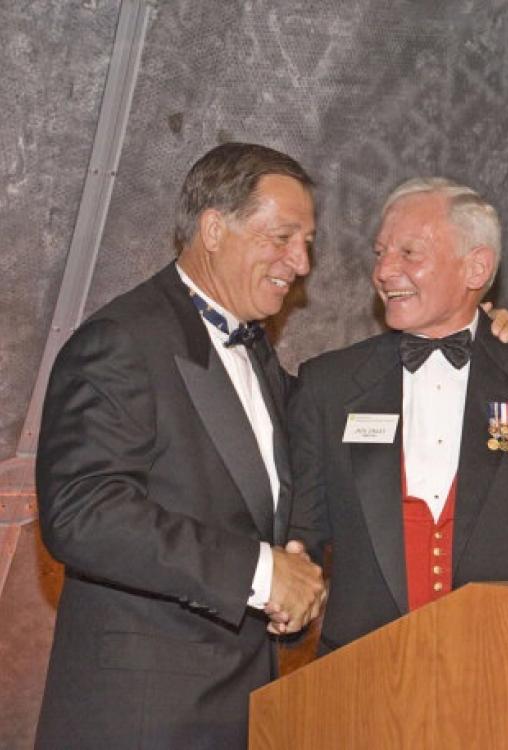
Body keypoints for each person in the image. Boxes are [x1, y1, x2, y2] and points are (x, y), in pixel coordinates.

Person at [34, 143, 327, 749]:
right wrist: (261, 572)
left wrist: (475, 332)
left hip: (236, 709)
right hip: (140, 720)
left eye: (306, 242)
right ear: (214, 229)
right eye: (283, 237)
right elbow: (83, 513)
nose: (300, 262)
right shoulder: (122, 340)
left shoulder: (262, 357)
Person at [288, 177, 508, 653]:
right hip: (362, 680)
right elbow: (299, 532)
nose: (384, 271)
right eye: (381, 252)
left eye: (409, 253)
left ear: (476, 268)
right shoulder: (329, 384)